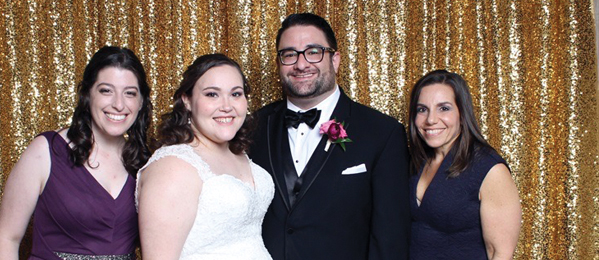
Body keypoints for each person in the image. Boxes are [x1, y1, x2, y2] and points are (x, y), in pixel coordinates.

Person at [249, 13, 410, 260]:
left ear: (334, 60)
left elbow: (390, 239)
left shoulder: (382, 133)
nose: (301, 64)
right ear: (279, 63)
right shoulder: (252, 127)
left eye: (313, 51)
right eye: (289, 54)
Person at [0, 46, 152, 259]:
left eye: (130, 93)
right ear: (87, 94)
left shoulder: (146, 162)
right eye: (106, 90)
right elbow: (7, 238)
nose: (118, 104)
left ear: (140, 101)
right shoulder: (46, 151)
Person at [136, 53, 274, 260]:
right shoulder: (172, 166)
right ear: (187, 101)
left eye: (236, 94)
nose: (227, 106)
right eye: (212, 94)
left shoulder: (239, 153)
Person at [407, 70, 521, 259]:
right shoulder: (415, 161)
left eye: (444, 108)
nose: (431, 119)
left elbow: (500, 253)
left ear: (462, 113)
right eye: (422, 109)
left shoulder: (490, 169)